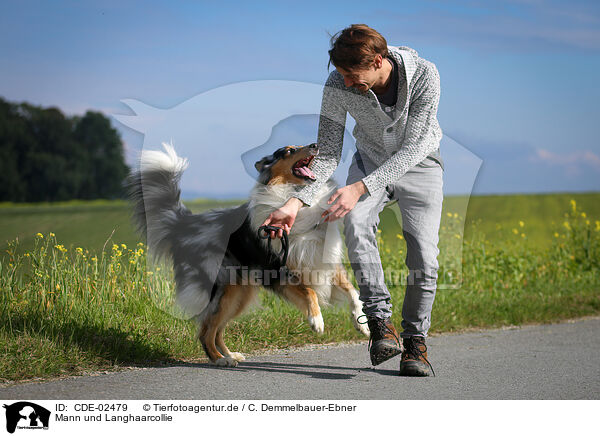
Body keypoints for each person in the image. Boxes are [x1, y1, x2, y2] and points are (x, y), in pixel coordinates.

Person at [262, 24, 443, 377]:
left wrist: (359, 188)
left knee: (425, 254)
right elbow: (328, 153)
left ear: (378, 60)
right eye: (341, 75)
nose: (345, 83)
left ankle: (415, 342)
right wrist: (295, 204)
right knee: (356, 225)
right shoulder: (336, 85)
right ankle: (379, 323)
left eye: (352, 75)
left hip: (421, 165)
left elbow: (414, 147)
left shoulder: (425, 75)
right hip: (370, 159)